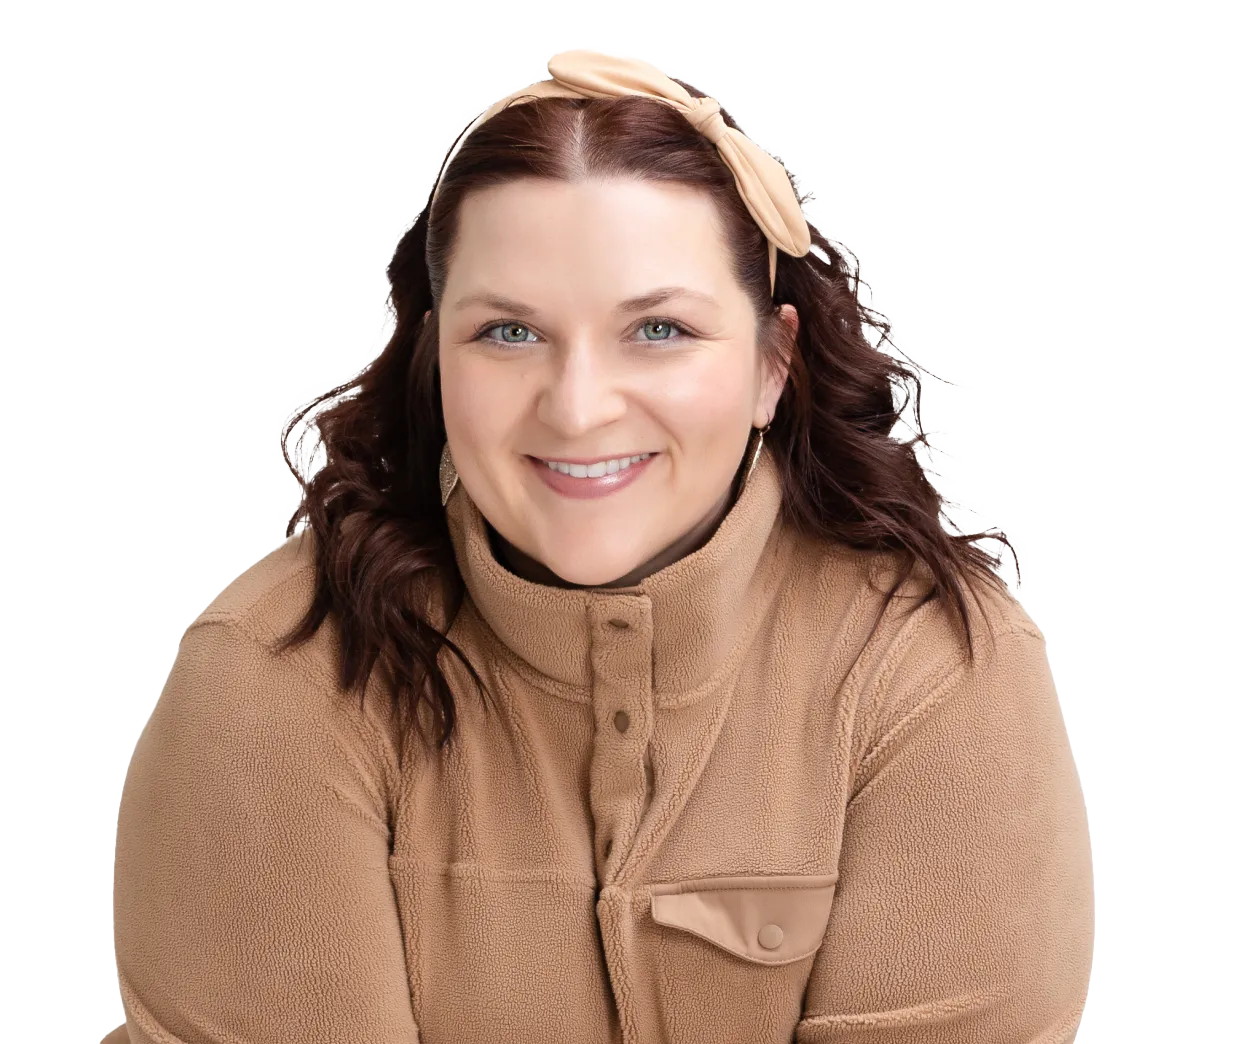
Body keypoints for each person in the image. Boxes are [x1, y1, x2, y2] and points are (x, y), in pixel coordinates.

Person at [109, 48, 1094, 1044]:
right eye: (509, 333)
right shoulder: (275, 672)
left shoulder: (931, 668)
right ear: (435, 360)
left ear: (772, 364)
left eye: (658, 329)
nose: (577, 410)